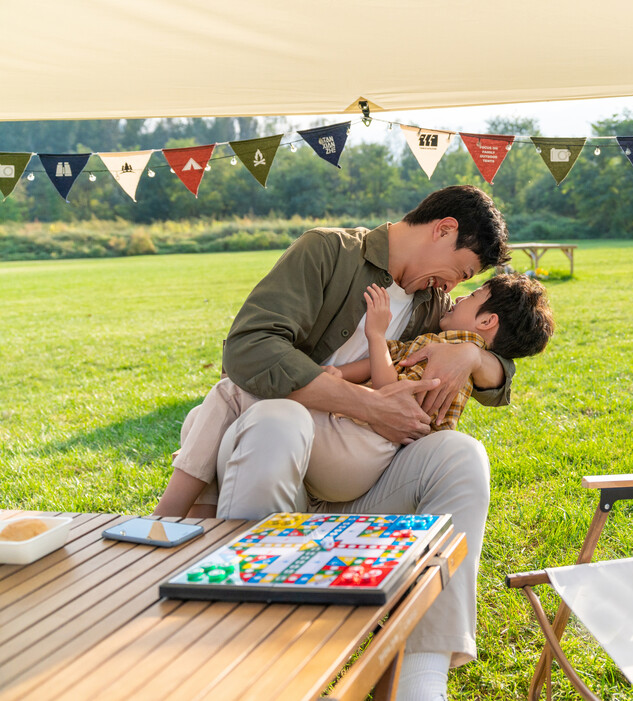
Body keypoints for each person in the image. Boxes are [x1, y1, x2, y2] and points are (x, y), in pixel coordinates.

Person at [153, 185, 514, 700]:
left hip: (363, 479)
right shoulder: (328, 251)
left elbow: (503, 351)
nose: (451, 287)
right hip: (281, 471)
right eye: (458, 272)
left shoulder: (432, 302)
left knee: (463, 455)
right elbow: (251, 348)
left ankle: (420, 682)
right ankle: (255, 654)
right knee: (279, 420)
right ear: (444, 229)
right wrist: (363, 404)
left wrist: (477, 360)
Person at [156, 272, 553, 510]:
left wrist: (375, 332)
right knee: (209, 414)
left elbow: (391, 395)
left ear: (487, 320)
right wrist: (326, 376)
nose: (460, 294)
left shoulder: (449, 362)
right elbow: (367, 368)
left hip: (360, 449)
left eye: (473, 295)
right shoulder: (438, 342)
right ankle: (198, 517)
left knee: (230, 392)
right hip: (349, 442)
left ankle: (169, 514)